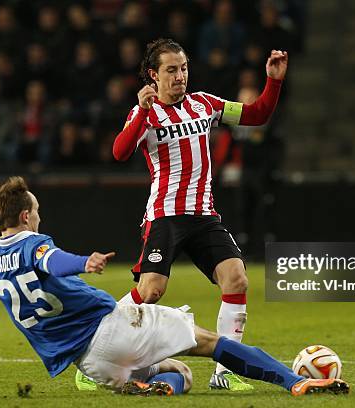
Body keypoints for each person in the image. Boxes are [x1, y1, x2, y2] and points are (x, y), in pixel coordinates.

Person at [0, 176, 349, 397]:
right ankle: (293, 382)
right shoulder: (34, 244)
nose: (38, 216)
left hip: (90, 363)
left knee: (181, 373)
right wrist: (83, 262)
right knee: (210, 343)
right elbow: (50, 260)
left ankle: (151, 387)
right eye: (35, 210)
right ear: (24, 217)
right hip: (112, 327)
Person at [112, 38, 287, 390]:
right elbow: (119, 152)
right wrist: (143, 112)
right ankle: (97, 339)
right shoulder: (145, 113)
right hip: (165, 215)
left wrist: (274, 80)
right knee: (150, 291)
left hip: (204, 215)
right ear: (153, 75)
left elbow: (258, 114)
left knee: (236, 279)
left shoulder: (205, 104)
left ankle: (226, 372)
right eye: (171, 70)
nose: (180, 76)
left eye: (184, 68)